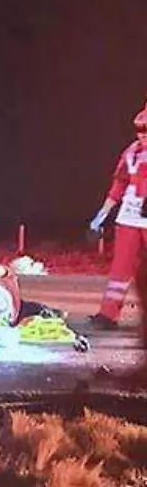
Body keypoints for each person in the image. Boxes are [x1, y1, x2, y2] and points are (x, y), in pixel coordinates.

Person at [89, 100, 147, 330]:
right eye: (140, 130)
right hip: (129, 219)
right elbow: (118, 185)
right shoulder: (131, 153)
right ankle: (108, 315)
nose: (142, 135)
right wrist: (101, 216)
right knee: (120, 269)